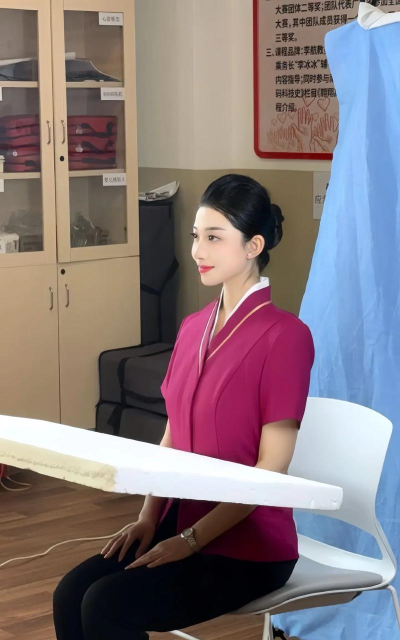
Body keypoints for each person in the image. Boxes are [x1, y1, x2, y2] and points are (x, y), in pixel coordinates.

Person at [53, 174, 315, 640]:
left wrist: (190, 541)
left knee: (106, 605)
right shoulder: (193, 327)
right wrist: (148, 517)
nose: (197, 251)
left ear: (253, 246)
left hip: (251, 543)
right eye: (196, 236)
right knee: (70, 593)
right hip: (183, 514)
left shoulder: (286, 337)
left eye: (214, 238)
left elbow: (271, 469)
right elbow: (172, 436)